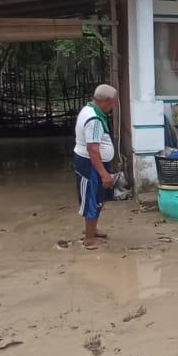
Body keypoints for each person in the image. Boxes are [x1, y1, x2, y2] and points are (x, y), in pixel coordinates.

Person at [73, 84, 117, 250]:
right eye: (113, 103)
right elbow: (93, 150)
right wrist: (104, 173)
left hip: (92, 162)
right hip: (90, 164)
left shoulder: (89, 108)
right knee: (91, 199)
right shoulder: (94, 120)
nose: (113, 106)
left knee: (98, 198)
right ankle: (89, 238)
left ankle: (93, 229)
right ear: (105, 102)